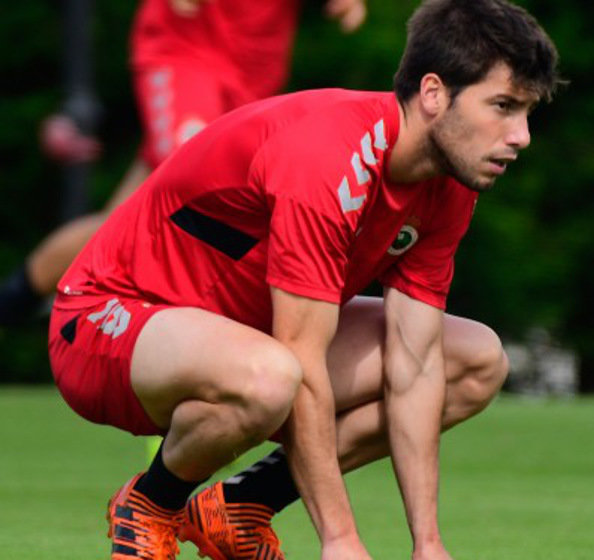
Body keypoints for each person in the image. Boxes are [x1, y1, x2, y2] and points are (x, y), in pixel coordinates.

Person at [48, 0, 562, 558]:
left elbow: (414, 366)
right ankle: (152, 502)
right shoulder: (328, 156)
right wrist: (340, 540)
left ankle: (241, 506)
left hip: (248, 338)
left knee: (475, 360)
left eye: (527, 112)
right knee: (274, 375)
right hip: (106, 322)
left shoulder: (448, 183)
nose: (522, 136)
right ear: (434, 94)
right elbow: (302, 360)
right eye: (503, 107)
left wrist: (428, 543)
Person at [0, 0, 367, 325]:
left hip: (251, 76)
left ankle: (12, 303)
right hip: (185, 54)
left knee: (118, 226)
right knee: (201, 194)